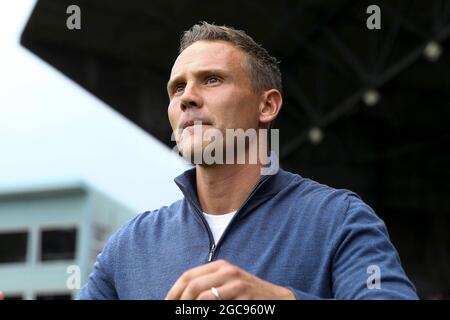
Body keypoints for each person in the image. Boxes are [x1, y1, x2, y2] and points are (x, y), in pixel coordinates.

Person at [77, 22, 418, 300]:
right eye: (177, 88)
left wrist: (277, 301)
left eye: (211, 79)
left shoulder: (338, 219)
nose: (187, 98)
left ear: (267, 106)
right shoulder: (130, 245)